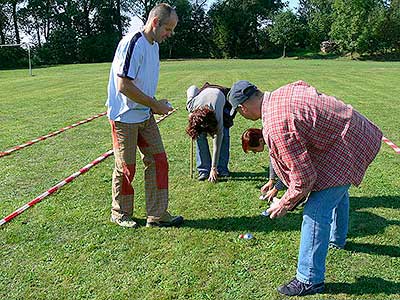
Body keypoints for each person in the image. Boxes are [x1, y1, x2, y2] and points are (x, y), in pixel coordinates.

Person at [228, 80, 382, 296]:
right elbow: (305, 85)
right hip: (354, 132)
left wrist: (285, 203)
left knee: (316, 210)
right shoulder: (282, 92)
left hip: (350, 142)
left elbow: (304, 179)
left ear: (243, 108)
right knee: (337, 187)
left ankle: (309, 279)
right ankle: (337, 240)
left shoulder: (276, 124)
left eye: (239, 112)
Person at [106, 3, 183, 228]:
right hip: (124, 117)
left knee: (158, 161)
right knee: (126, 167)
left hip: (145, 115)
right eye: (168, 28)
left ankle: (157, 215)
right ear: (155, 22)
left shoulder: (154, 46)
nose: (170, 34)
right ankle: (121, 213)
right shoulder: (133, 42)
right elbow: (123, 86)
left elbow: (141, 82)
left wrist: (155, 104)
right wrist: (154, 105)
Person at [186, 83, 233, 182]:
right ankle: (203, 170)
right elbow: (192, 87)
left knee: (223, 134)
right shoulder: (191, 105)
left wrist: (214, 168)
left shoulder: (217, 114)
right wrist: (190, 114)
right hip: (203, 98)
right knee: (199, 135)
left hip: (221, 99)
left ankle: (221, 169)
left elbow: (217, 141)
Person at [241, 128, 286, 201]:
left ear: (261, 140)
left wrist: (276, 188)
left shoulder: (275, 140)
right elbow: (272, 159)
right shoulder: (268, 136)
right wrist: (271, 180)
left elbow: (289, 170)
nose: (255, 152)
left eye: (254, 150)